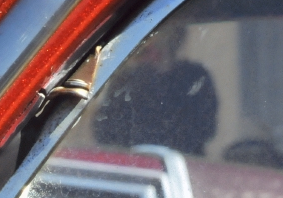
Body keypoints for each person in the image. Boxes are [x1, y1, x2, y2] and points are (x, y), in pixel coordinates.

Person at [93, 24, 218, 154]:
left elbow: (205, 129)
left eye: (160, 43)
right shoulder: (125, 80)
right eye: (145, 48)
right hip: (129, 165)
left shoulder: (194, 78)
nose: (153, 52)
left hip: (184, 165)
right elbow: (105, 131)